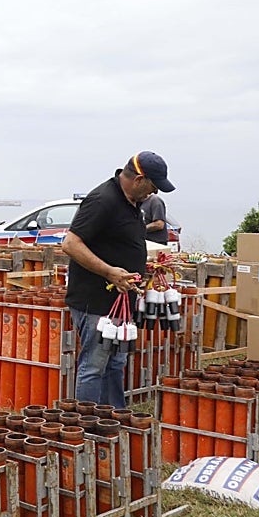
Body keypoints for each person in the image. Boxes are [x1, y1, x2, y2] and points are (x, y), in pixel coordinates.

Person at [63, 151, 176, 409]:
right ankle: (87, 425)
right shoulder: (103, 200)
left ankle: (113, 416)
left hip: (121, 301)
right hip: (96, 300)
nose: (153, 192)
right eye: (153, 186)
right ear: (138, 179)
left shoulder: (133, 203)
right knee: (94, 365)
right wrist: (109, 272)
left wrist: (140, 267)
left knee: (116, 363)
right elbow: (70, 244)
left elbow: (118, 243)